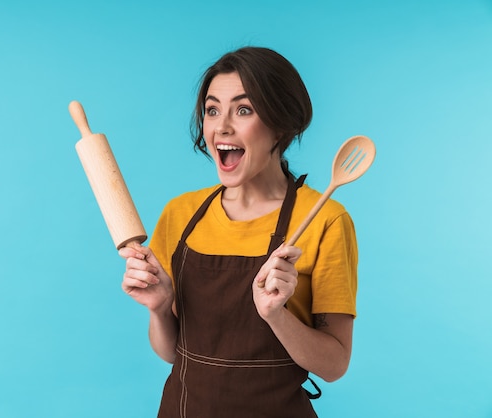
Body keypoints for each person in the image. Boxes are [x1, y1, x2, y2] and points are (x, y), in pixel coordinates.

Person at [119, 46, 358, 418]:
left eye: (243, 110)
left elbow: (334, 365)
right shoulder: (180, 214)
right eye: (212, 110)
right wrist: (159, 309)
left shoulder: (325, 220)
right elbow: (172, 352)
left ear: (282, 123)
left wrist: (277, 315)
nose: (221, 127)